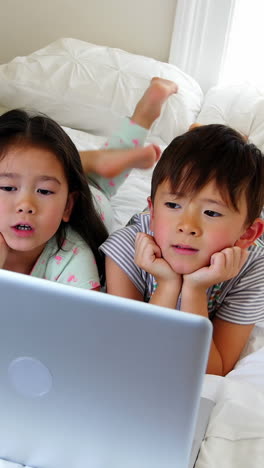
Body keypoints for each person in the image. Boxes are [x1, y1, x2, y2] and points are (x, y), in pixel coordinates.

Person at [101, 124, 264, 376]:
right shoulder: (127, 249)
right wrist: (166, 284)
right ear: (153, 213)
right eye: (172, 205)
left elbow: (212, 372)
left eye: (211, 212)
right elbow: (135, 352)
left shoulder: (252, 269)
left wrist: (195, 291)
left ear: (247, 234)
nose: (187, 226)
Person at [0, 77, 178, 289]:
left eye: (44, 191)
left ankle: (141, 118)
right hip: (68, 179)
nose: (25, 205)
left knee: (99, 182)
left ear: (67, 206)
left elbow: (85, 319)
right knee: (51, 169)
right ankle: (93, 160)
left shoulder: (73, 255)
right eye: (8, 188)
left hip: (93, 197)